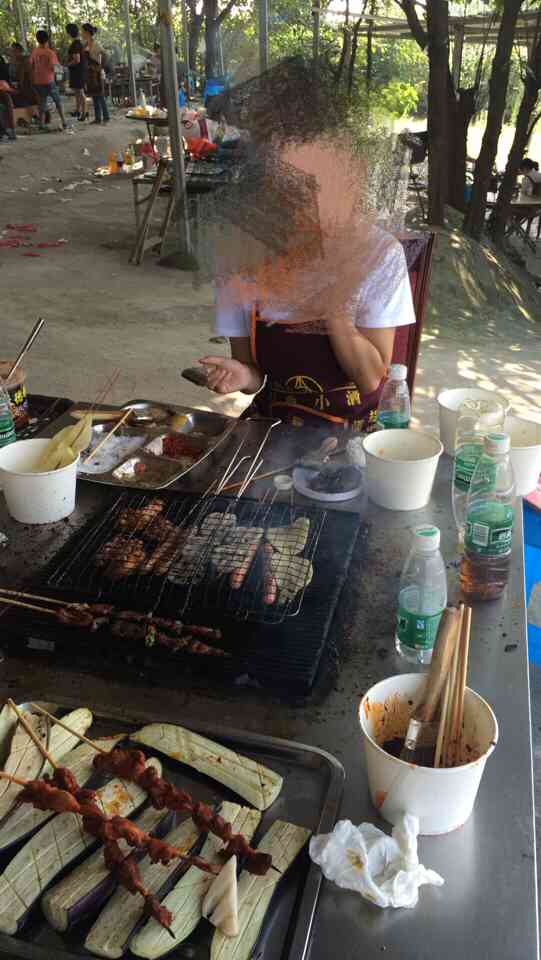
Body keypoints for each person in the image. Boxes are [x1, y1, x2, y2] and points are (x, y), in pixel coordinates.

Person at [201, 139, 416, 431]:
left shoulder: (379, 254)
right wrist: (242, 377)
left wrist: (334, 301)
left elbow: (369, 379)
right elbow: (254, 377)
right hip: (276, 423)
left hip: (355, 428)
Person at [29, 29, 67, 130]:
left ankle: (41, 124)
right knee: (58, 101)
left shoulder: (34, 52)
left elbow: (31, 65)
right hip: (49, 81)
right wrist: (62, 73)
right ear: (47, 40)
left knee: (42, 102)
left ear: (37, 40)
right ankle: (64, 122)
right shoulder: (50, 53)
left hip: (38, 81)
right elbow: (55, 68)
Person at [81, 23, 109, 124]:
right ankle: (98, 118)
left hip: (97, 73)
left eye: (83, 32)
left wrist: (100, 67)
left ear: (87, 32)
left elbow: (105, 54)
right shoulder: (85, 44)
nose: (81, 33)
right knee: (94, 96)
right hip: (90, 74)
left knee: (100, 95)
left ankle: (106, 117)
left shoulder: (96, 44)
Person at [66, 23, 87, 120]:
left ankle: (84, 112)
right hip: (78, 71)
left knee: (80, 92)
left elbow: (77, 60)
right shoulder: (79, 43)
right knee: (77, 92)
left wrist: (68, 65)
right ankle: (78, 111)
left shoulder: (75, 45)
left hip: (78, 71)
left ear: (69, 33)